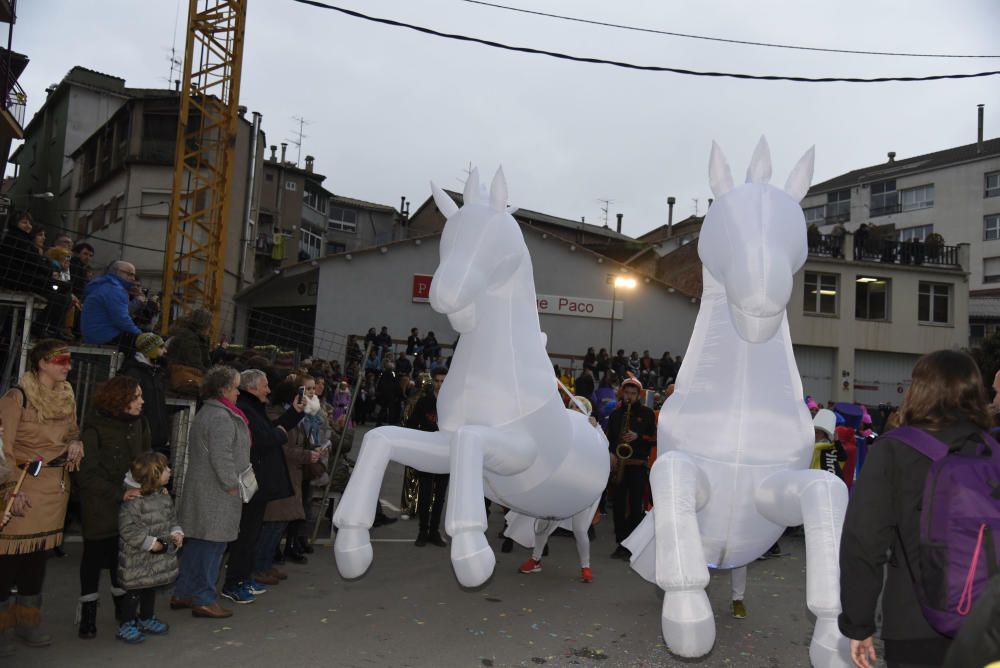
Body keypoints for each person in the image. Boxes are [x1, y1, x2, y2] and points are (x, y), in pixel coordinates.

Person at [839, 350, 993, 668]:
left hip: (914, 622)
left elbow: (864, 542)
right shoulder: (992, 451)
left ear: (918, 389)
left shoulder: (896, 449)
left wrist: (859, 624)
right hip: (989, 626)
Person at [0, 339, 84, 652]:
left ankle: (28, 621)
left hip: (54, 487)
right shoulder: (17, 397)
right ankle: (3, 624)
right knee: (7, 558)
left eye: (69, 360)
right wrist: (11, 489)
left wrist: (76, 442)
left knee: (36, 558)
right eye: (61, 360)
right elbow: (3, 448)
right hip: (22, 484)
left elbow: (73, 430)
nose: (68, 365)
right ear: (42, 363)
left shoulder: (67, 395)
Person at [75, 375, 151, 640]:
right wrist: (121, 492)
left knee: (122, 557)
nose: (142, 401)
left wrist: (153, 483)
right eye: (136, 397)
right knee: (94, 558)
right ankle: (88, 613)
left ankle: (124, 609)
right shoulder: (94, 428)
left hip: (129, 505)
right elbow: (87, 475)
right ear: (120, 400)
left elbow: (145, 459)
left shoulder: (139, 424)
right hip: (99, 504)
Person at [172, 366, 249, 619]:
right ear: (224, 389)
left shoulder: (210, 412)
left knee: (197, 543)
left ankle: (183, 592)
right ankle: (204, 598)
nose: (238, 392)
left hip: (204, 488)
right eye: (236, 387)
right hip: (217, 491)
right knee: (214, 546)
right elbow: (221, 456)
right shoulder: (221, 417)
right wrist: (231, 484)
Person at [228, 369, 304, 598]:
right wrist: (280, 433)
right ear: (251, 387)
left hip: (257, 482)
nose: (269, 390)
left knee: (251, 535)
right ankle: (236, 582)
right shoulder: (247, 409)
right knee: (246, 536)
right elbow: (264, 439)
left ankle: (243, 578)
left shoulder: (253, 407)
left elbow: (270, 430)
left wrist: (295, 414)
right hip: (252, 481)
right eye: (265, 385)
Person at [515, 396, 599, 583]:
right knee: (543, 523)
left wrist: (594, 428)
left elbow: (603, 451)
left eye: (579, 408)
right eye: (572, 407)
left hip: (581, 487)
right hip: (560, 484)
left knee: (579, 529)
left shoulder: (593, 427)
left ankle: (586, 567)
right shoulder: (561, 427)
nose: (575, 411)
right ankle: (535, 559)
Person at [115, 452, 182, 644]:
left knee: (149, 588)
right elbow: (128, 530)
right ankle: (126, 623)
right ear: (153, 475)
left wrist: (176, 532)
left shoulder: (163, 496)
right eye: (165, 469)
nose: (170, 471)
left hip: (155, 557)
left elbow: (171, 519)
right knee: (133, 592)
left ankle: (146, 618)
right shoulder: (133, 502)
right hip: (136, 558)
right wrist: (150, 543)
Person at [262, 377, 320, 570]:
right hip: (281, 474)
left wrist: (313, 450)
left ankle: (267, 562)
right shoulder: (276, 414)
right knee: (273, 523)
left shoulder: (299, 414)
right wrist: (306, 454)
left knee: (283, 521)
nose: (310, 393)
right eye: (305, 390)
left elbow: (299, 440)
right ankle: (262, 565)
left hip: (293, 474)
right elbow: (282, 447)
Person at [606, 376, 655, 559]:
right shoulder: (616, 414)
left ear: (639, 395)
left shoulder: (648, 414)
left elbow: (654, 439)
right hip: (620, 465)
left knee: (636, 508)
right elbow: (610, 438)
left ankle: (633, 544)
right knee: (618, 507)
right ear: (622, 393)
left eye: (633, 394)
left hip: (637, 466)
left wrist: (638, 436)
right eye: (627, 393)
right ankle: (621, 543)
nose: (629, 397)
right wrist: (611, 454)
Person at [408, 367, 448, 547]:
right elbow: (411, 424)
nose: (440, 384)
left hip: (446, 454)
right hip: (427, 453)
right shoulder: (424, 402)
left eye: (443, 381)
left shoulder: (453, 403)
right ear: (433, 381)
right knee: (424, 494)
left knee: (440, 496)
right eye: (437, 381)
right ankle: (423, 531)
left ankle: (434, 531)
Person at [119, 333, 171, 458]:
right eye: (161, 347)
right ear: (150, 350)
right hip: (140, 440)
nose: (165, 350)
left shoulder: (157, 372)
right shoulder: (133, 373)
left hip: (157, 439)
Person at [81, 260, 142, 347]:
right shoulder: (115, 290)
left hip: (93, 335)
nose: (133, 278)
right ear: (117, 272)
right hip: (107, 336)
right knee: (147, 344)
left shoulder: (103, 285)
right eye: (129, 274)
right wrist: (140, 334)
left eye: (133, 275)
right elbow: (122, 319)